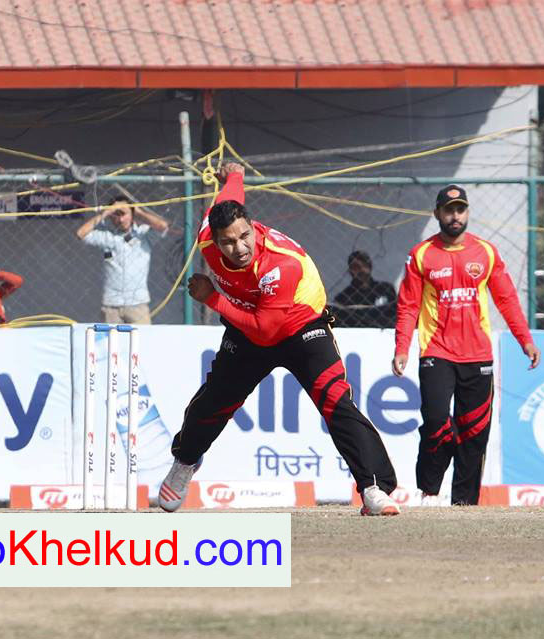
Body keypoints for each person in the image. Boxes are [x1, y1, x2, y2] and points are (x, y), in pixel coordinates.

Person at [158, 164, 399, 516]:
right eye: (229, 242)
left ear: (252, 227)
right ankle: (185, 461)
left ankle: (374, 487)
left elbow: (266, 331)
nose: (239, 247)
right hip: (247, 324)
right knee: (213, 401)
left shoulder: (280, 263)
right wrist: (234, 176)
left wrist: (212, 298)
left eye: (245, 236)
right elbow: (229, 197)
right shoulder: (207, 237)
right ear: (215, 238)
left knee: (335, 399)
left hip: (299, 327)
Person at [393, 184, 540, 506]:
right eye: (449, 210)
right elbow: (408, 306)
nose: (455, 216)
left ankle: (464, 503)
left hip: (478, 355)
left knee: (474, 433)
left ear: (467, 212)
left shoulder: (486, 252)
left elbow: (507, 300)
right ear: (437, 214)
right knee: (436, 422)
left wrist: (525, 340)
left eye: (460, 209)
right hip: (437, 352)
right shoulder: (421, 254)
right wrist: (402, 347)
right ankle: (429, 491)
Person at [76, 194, 169, 324]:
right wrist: (105, 213)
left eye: (124, 214)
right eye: (116, 214)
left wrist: (138, 211)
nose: (121, 219)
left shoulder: (143, 234)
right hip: (111, 305)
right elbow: (81, 233)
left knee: (141, 337)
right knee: (111, 337)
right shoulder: (106, 237)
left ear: (132, 214)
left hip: (138, 303)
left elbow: (163, 226)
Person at [332, 250, 397, 328]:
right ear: (350, 270)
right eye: (356, 267)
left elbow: (396, 314)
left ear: (370, 266)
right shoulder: (343, 298)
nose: (361, 269)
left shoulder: (386, 289)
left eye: (364, 265)